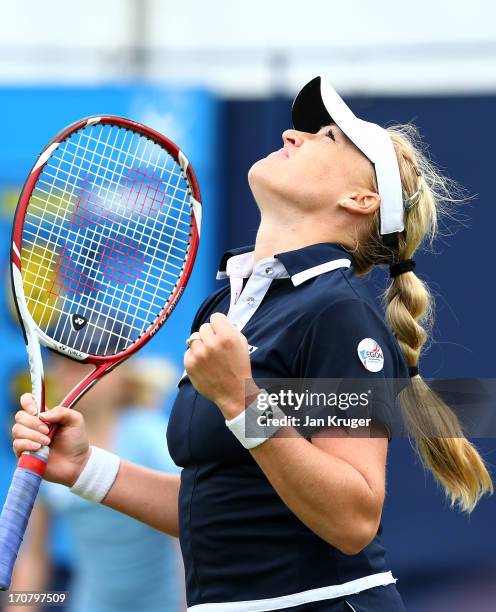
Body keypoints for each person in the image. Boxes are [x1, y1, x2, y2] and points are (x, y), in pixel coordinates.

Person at [12, 76, 493, 612]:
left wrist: (243, 402)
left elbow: (354, 519)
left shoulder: (338, 314)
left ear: (360, 199)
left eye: (326, 137)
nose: (292, 135)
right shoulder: (223, 309)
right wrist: (87, 468)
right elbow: (219, 508)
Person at [8, 355, 183, 612]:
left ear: (121, 376)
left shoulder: (150, 435)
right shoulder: (45, 443)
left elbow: (187, 526)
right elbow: (34, 555)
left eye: (86, 367)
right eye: (64, 365)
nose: (71, 375)